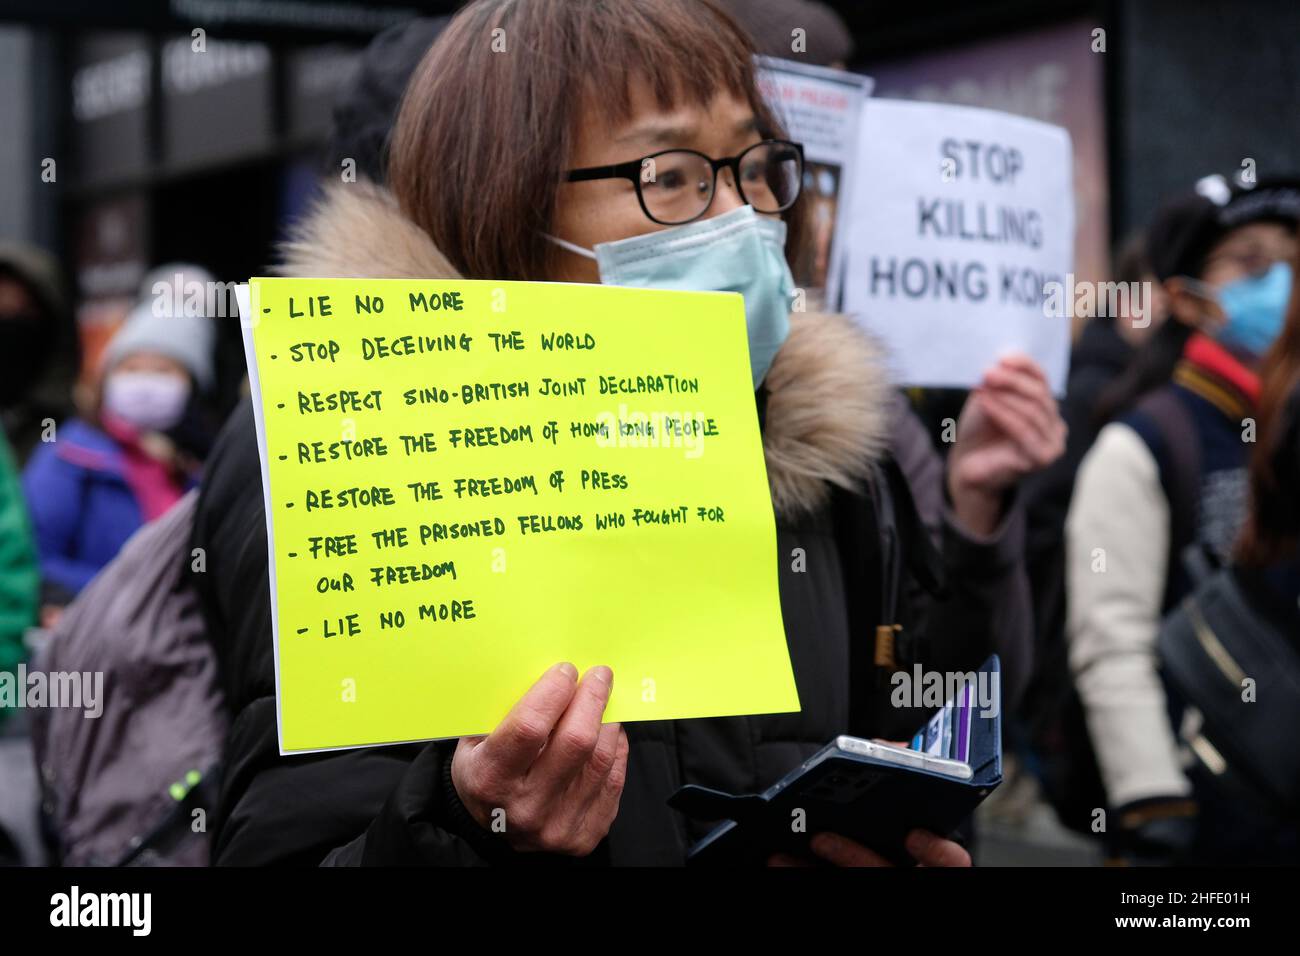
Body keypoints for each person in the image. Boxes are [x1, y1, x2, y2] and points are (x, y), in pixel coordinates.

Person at [193, 0, 1060, 866]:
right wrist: (467, 828)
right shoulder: (387, 469)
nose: (741, 218)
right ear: (504, 209)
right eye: (672, 173)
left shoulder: (828, 474)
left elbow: (908, 726)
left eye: (755, 166)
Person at [1066, 176, 1299, 862]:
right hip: (1203, 807)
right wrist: (1154, 803)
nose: (1281, 283)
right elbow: (1111, 638)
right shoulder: (1145, 440)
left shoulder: (1286, 426)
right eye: (1251, 263)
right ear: (1189, 299)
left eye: (1294, 259)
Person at [23, 298, 214, 611]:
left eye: (163, 370)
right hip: (97, 637)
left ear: (192, 384)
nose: (145, 383)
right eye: (131, 368)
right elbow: (34, 558)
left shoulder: (200, 467)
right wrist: (134, 594)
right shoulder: (69, 455)